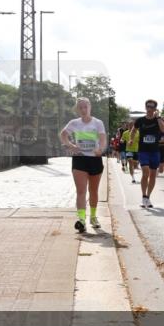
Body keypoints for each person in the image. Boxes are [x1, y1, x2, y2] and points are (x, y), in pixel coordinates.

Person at [60, 97, 107, 233]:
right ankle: (81, 220)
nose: (83, 110)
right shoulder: (74, 123)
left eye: (85, 107)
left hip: (94, 159)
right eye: (80, 107)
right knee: (81, 191)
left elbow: (103, 139)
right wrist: (70, 145)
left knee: (93, 191)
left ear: (89, 107)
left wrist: (100, 149)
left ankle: (93, 217)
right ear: (77, 109)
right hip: (79, 159)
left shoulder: (98, 123)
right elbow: (63, 135)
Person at [134, 100, 164, 208]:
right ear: (145, 107)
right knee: (145, 172)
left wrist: (158, 118)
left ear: (155, 109)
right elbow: (133, 130)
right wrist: (131, 139)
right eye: (148, 106)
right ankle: (143, 196)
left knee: (153, 175)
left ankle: (148, 197)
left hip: (155, 151)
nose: (149, 108)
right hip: (143, 151)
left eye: (152, 107)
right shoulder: (140, 120)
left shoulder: (158, 120)